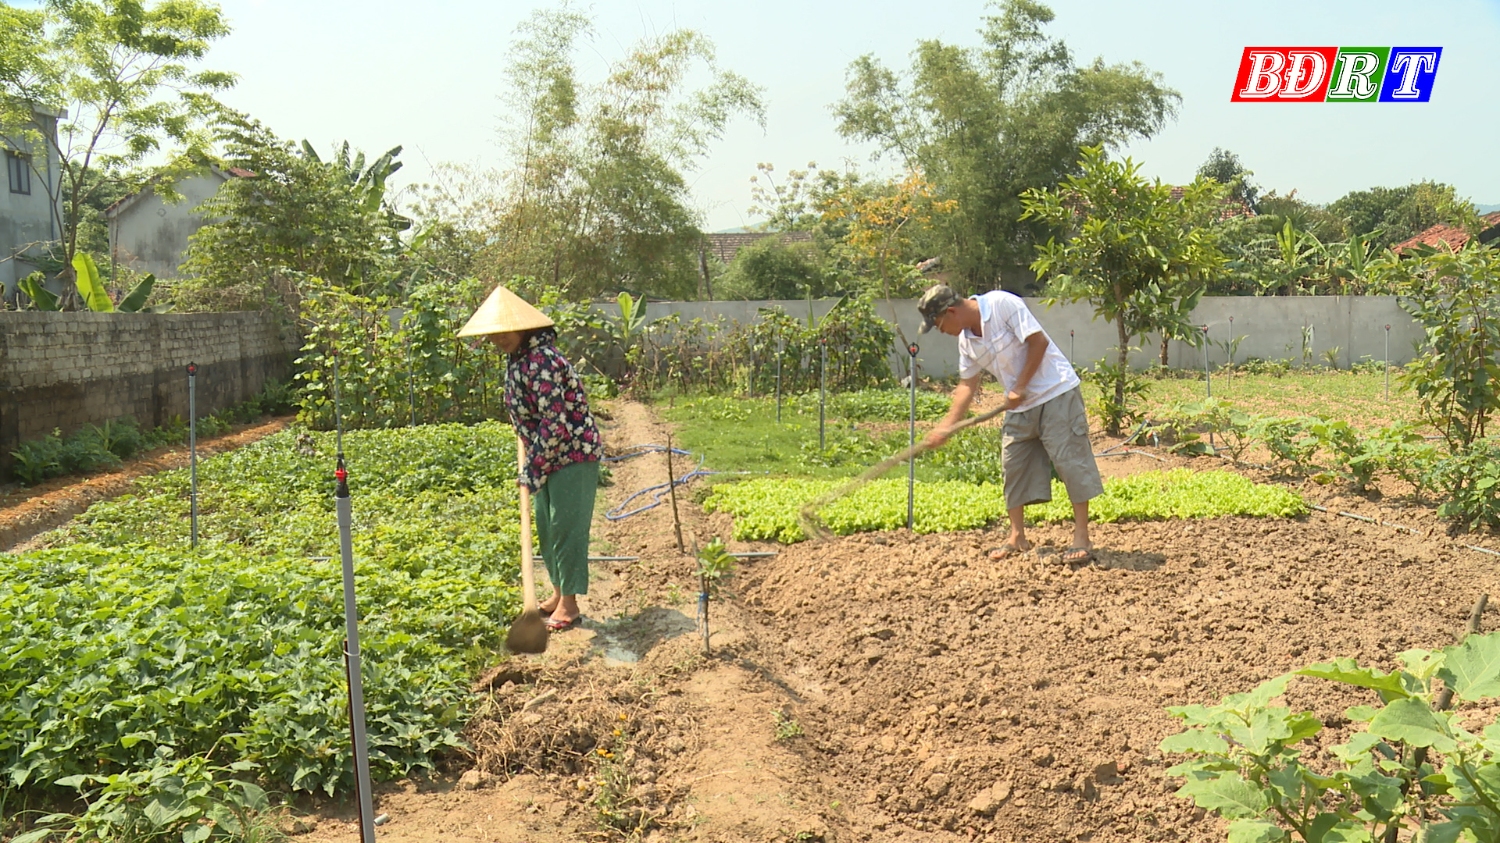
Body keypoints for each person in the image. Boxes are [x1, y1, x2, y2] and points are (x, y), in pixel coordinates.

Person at [918, 283, 1103, 564]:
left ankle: (1081, 536)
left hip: (1056, 392)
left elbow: (1037, 342)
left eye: (938, 324)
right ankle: (1017, 537)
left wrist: (1020, 385)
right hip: (1020, 406)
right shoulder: (967, 341)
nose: (940, 331)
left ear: (951, 312)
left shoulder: (1002, 304)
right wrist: (947, 425)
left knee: (1070, 461)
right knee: (1012, 465)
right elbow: (967, 385)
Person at [458, 286, 603, 630]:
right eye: (493, 333)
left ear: (525, 328)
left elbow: (554, 421)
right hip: (546, 452)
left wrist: (533, 469)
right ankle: (557, 592)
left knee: (567, 527)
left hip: (572, 452)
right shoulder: (520, 359)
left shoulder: (542, 361)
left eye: (504, 331)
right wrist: (530, 449)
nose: (498, 339)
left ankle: (570, 604)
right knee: (546, 524)